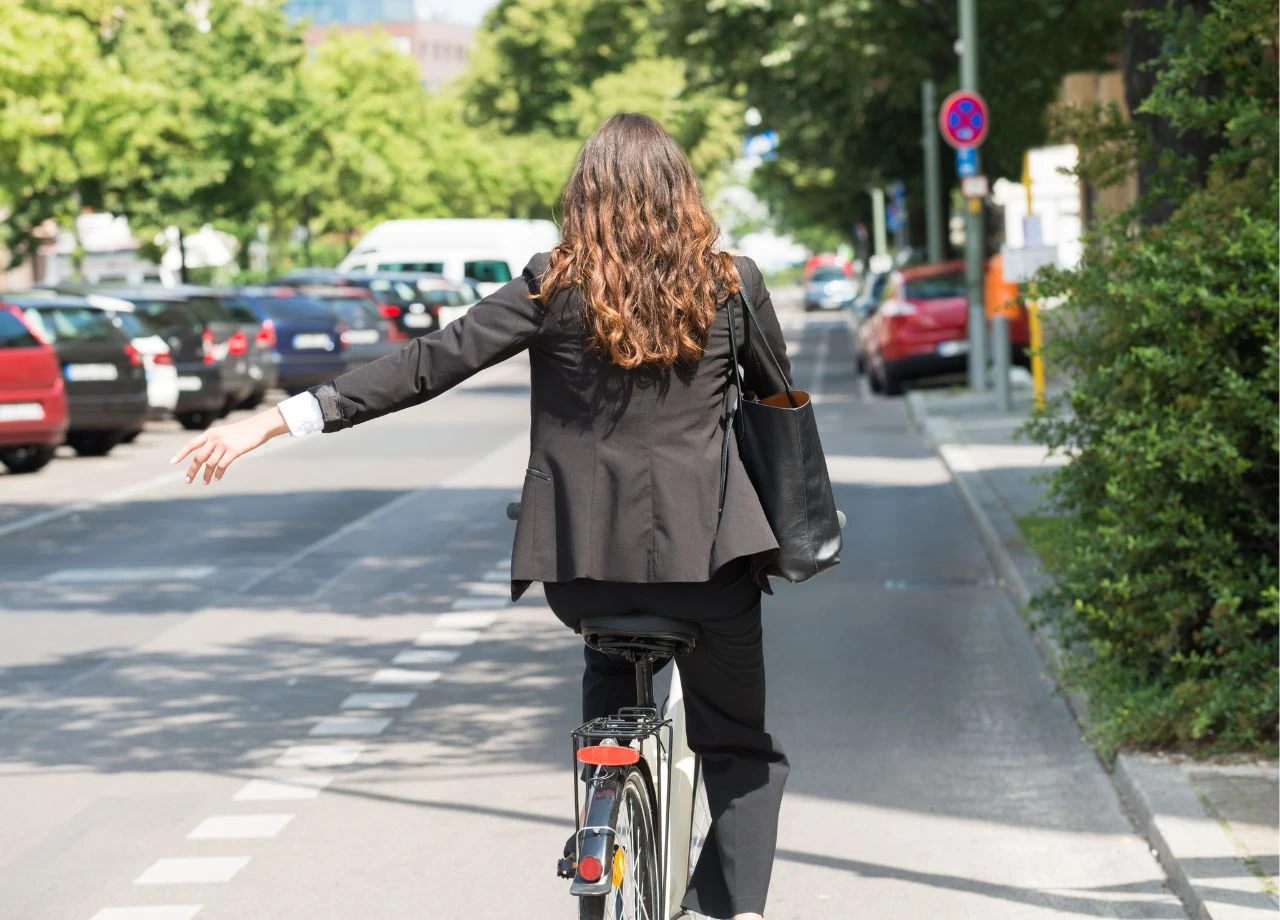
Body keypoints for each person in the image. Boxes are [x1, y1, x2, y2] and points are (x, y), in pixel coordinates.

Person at [173, 112, 792, 920]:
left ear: (586, 196)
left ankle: (603, 807)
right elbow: (779, 399)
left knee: (611, 666)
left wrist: (276, 420)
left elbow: (427, 365)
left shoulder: (549, 285)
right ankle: (734, 911)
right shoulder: (730, 283)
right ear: (684, 194)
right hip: (711, 565)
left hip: (581, 572)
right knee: (740, 750)